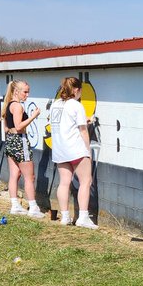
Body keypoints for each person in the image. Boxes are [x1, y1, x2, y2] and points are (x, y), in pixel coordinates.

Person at [48, 77, 97, 229]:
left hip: (59, 149)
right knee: (85, 182)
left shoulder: (55, 104)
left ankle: (65, 217)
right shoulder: (76, 105)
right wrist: (87, 151)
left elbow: (63, 123)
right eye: (80, 91)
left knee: (64, 183)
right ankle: (83, 217)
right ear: (76, 90)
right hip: (76, 149)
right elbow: (83, 130)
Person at [1, 80, 45, 218]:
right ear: (16, 91)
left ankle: (15, 205)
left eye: (28, 91)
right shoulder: (18, 107)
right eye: (25, 92)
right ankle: (33, 207)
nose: (27, 95)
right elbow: (19, 126)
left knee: (15, 174)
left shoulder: (7, 105)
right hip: (20, 141)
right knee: (29, 177)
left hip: (10, 140)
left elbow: (7, 127)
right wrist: (33, 116)